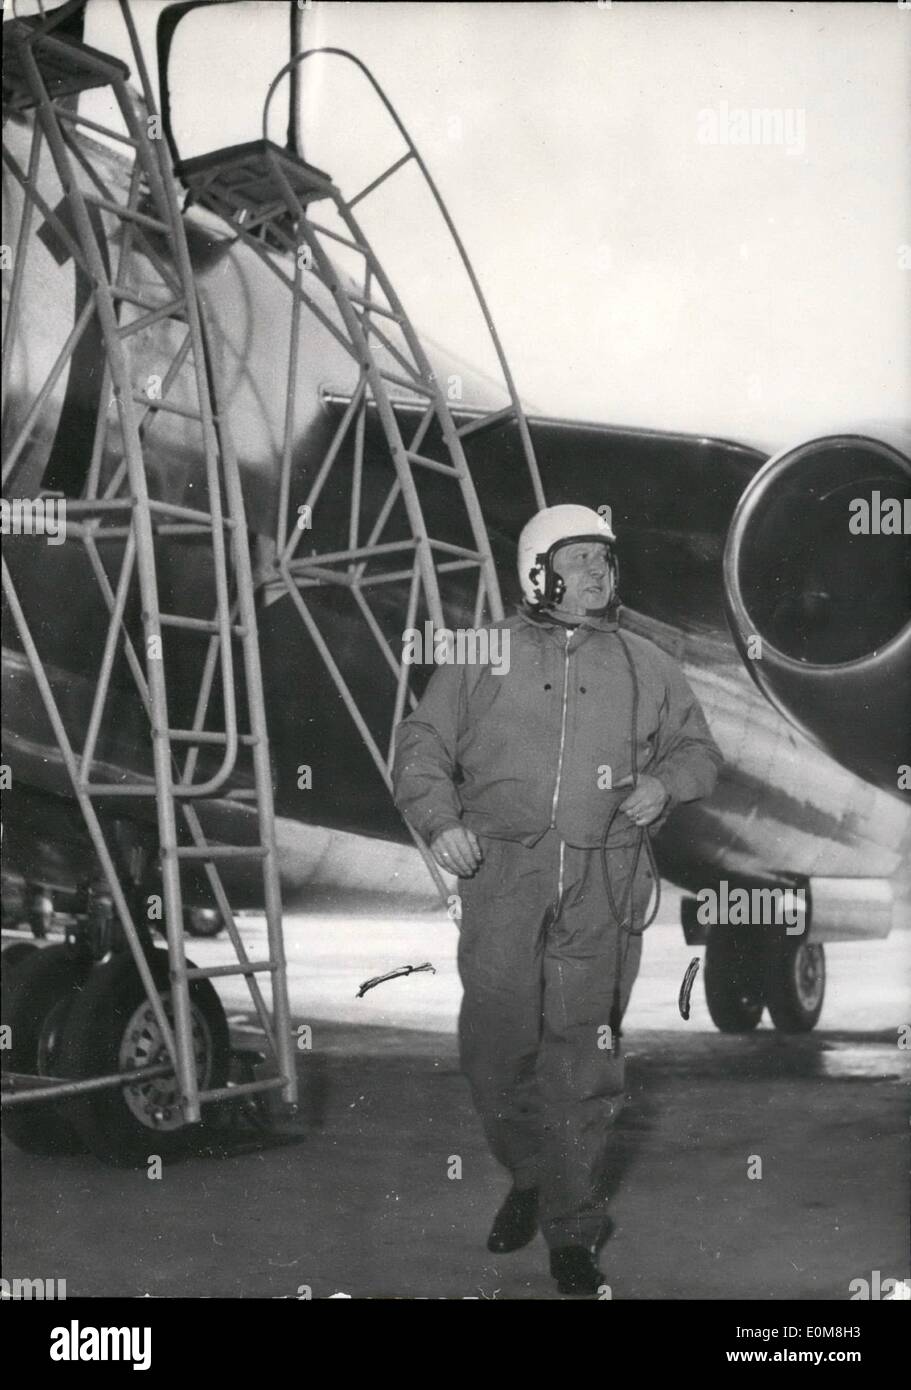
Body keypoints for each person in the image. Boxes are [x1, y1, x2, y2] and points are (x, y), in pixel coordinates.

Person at [392, 503, 723, 1296]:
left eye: (604, 562)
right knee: (494, 1053)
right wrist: (438, 822)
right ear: (537, 571)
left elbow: (699, 752)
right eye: (579, 561)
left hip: (604, 879)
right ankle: (532, 1175)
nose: (598, 575)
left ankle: (572, 1229)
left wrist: (662, 784)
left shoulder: (647, 664)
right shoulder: (479, 653)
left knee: (584, 1055)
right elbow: (420, 745)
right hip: (503, 877)